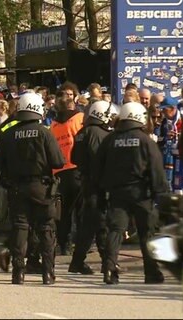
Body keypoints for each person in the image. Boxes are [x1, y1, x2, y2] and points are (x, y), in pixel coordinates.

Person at [0, 92, 65, 285]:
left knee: (20, 228)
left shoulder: (9, 133)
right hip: (42, 187)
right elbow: (58, 161)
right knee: (46, 228)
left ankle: (18, 272)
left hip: (17, 187)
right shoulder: (44, 132)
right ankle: (48, 273)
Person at [94, 101, 168, 285]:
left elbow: (98, 169)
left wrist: (100, 194)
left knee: (116, 231)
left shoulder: (109, 140)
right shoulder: (146, 141)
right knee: (146, 233)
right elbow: (156, 170)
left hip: (117, 194)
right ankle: (151, 272)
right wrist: (162, 194)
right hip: (142, 194)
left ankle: (110, 270)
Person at [68, 100, 118, 275]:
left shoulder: (83, 132)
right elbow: (99, 160)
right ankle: (105, 263)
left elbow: (74, 158)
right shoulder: (99, 133)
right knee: (99, 224)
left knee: (92, 225)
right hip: (98, 185)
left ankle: (83, 261)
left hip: (87, 183)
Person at [50, 96, 84, 255]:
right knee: (81, 210)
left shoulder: (54, 125)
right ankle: (81, 243)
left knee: (64, 211)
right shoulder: (80, 119)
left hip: (60, 170)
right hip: (77, 167)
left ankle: (64, 243)